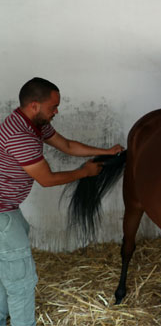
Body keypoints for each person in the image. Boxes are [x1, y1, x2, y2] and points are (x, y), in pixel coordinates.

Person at [0, 77, 123, 326]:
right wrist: (84, 173)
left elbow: (66, 145)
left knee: (7, 271)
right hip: (3, 213)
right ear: (35, 105)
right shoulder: (20, 135)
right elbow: (46, 179)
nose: (56, 111)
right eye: (53, 107)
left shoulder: (32, 122)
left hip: (9, 209)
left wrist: (107, 151)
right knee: (21, 280)